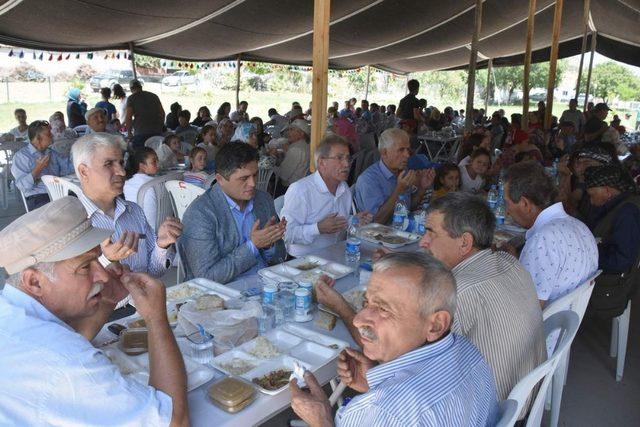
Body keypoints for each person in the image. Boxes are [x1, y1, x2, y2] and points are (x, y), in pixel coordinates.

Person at [0, 197, 188, 426]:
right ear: (35, 282)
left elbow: (73, 340)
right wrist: (156, 317)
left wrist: (108, 299)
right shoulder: (66, 361)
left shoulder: (11, 309)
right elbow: (173, 420)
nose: (102, 275)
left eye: (97, 260)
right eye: (85, 267)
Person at [294, 252, 497, 427]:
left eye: (383, 309)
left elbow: (397, 410)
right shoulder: (469, 354)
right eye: (366, 303)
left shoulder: (380, 411)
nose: (358, 320)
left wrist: (321, 421)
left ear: (436, 325)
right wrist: (377, 382)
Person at [420, 192, 546, 402]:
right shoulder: (509, 260)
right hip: (525, 395)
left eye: (431, 233)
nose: (423, 241)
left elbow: (420, 363)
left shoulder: (461, 290)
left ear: (465, 243)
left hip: (492, 408)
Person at [72, 133, 182, 278]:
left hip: (141, 298)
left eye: (121, 163)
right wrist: (107, 260)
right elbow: (75, 293)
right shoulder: (73, 223)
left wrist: (162, 245)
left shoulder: (134, 211)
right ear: (84, 171)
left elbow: (153, 272)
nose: (122, 172)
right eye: (108, 164)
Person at [178, 143, 286, 284]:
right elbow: (206, 277)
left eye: (255, 174)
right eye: (244, 178)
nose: (253, 183)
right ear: (220, 179)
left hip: (268, 285)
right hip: (222, 295)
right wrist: (253, 246)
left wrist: (269, 245)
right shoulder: (200, 214)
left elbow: (280, 256)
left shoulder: (263, 200)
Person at [503, 161, 598, 306]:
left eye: (507, 203)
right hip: (569, 321)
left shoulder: (542, 240)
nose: (507, 211)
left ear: (525, 204)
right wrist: (516, 261)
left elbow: (529, 310)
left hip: (545, 325)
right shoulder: (580, 226)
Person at [281, 135, 372, 257]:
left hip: (335, 255)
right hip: (302, 262)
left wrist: (353, 220)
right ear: (322, 162)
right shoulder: (301, 190)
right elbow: (286, 234)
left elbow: (337, 223)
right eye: (339, 158)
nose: (346, 164)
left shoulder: (344, 188)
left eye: (348, 158)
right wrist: (318, 228)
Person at [584, 165, 640, 317]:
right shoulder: (618, 206)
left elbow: (621, 260)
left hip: (611, 288)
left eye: (592, 195)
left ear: (608, 191)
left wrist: (588, 258)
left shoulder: (627, 214)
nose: (591, 200)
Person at [355, 128, 434, 224]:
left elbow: (407, 209)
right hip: (378, 235)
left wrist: (422, 189)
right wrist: (399, 190)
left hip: (401, 230)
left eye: (408, 149)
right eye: (401, 150)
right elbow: (376, 221)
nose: (407, 155)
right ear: (384, 153)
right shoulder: (368, 180)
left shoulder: (403, 171)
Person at [11, 120, 74, 210]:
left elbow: (68, 167)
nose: (52, 136)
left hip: (59, 193)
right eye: (48, 134)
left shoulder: (51, 153)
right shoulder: (22, 157)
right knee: (68, 210)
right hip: (38, 198)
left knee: (84, 199)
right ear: (38, 139)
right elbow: (22, 186)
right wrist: (37, 169)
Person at [123, 147, 160, 227]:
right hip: (157, 227)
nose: (158, 164)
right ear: (142, 166)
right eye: (154, 161)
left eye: (157, 160)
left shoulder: (126, 182)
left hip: (134, 227)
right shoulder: (156, 182)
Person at [125, 79, 165, 148]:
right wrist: (160, 126)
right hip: (156, 132)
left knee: (140, 155)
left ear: (131, 89)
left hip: (141, 132)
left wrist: (129, 132)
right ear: (141, 87)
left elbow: (128, 117)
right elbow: (162, 113)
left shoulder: (131, 98)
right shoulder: (154, 96)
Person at [277, 119, 311, 188]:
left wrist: (273, 162)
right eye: (288, 130)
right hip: (301, 184)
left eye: (292, 130)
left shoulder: (295, 149)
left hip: (290, 187)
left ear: (301, 134)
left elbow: (283, 175)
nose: (288, 133)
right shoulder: (306, 145)